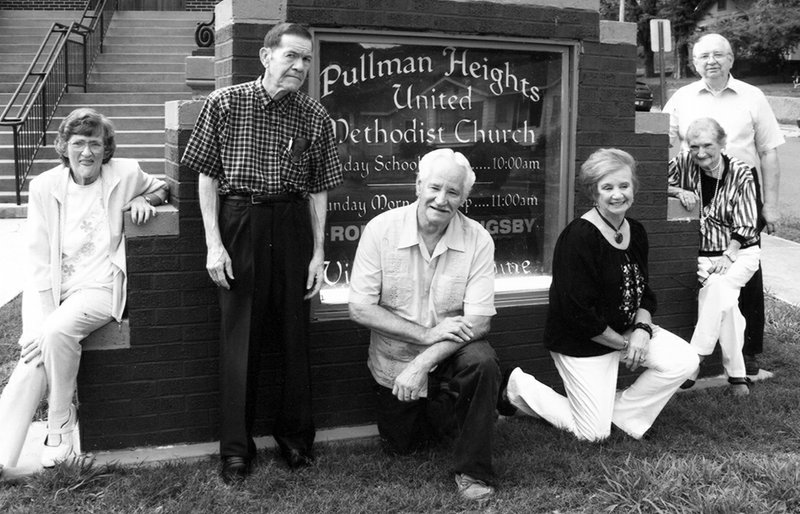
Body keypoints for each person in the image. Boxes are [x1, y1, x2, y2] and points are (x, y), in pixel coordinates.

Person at [181, 23, 343, 482]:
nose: (300, 67)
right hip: (241, 222)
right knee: (240, 339)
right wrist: (214, 244)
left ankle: (295, 440)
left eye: (307, 59)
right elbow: (206, 177)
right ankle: (236, 450)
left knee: (294, 337)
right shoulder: (225, 104)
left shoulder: (315, 115)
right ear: (265, 56)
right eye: (291, 56)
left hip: (292, 225)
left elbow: (318, 191)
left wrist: (317, 253)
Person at [0, 108, 168, 476]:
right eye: (78, 143)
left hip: (101, 287)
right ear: (64, 147)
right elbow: (39, 256)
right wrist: (43, 315)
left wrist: (145, 200)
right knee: (35, 354)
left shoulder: (124, 173)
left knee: (57, 332)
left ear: (106, 149)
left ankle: (59, 432)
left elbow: (160, 186)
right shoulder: (45, 186)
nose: (87, 153)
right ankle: (2, 455)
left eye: (95, 144)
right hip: (52, 286)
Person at [501, 148, 699, 442]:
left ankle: (624, 413)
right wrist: (625, 345)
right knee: (592, 434)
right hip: (582, 341)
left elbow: (644, 292)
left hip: (626, 331)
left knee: (685, 360)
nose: (617, 194)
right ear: (593, 193)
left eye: (624, 185)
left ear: (634, 188)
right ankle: (517, 387)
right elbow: (577, 314)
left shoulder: (638, 232)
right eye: (607, 187)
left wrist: (642, 331)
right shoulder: (578, 237)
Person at [348, 148, 501, 502]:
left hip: (450, 354)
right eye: (435, 187)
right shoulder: (381, 230)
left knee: (482, 361)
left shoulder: (478, 238)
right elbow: (360, 309)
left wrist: (424, 360)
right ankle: (451, 412)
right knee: (402, 447)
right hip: (394, 362)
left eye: (453, 192)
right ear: (418, 185)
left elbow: (478, 322)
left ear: (464, 197)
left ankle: (473, 471)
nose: (442, 199)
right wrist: (424, 336)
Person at [663, 33, 784, 378]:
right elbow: (661, 144)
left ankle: (747, 351)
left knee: (743, 274)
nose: (711, 61)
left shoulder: (753, 96)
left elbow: (769, 152)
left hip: (742, 187)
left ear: (732, 59)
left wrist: (770, 206)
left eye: (719, 54)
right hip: (696, 186)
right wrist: (673, 189)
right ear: (694, 62)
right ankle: (713, 353)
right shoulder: (682, 98)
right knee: (703, 270)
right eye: (704, 56)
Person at [668, 118, 761, 396]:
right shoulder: (685, 162)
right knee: (726, 303)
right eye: (694, 146)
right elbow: (652, 182)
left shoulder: (741, 172)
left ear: (722, 143)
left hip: (739, 251)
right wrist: (678, 190)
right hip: (702, 256)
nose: (700, 153)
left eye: (707, 145)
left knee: (719, 287)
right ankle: (737, 375)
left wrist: (729, 255)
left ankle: (694, 360)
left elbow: (747, 223)